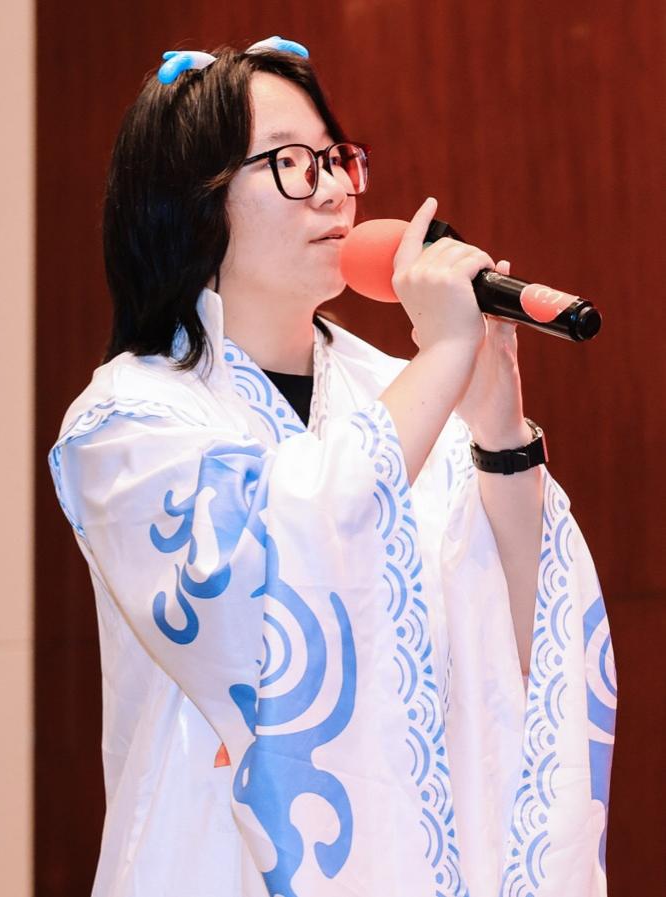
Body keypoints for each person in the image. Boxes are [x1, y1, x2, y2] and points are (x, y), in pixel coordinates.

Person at [49, 38, 616, 897]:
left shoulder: (396, 392)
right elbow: (276, 570)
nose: (335, 189)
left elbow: (536, 636)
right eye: (290, 162)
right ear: (191, 199)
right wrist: (445, 357)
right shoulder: (129, 418)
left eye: (336, 157)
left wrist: (500, 432)